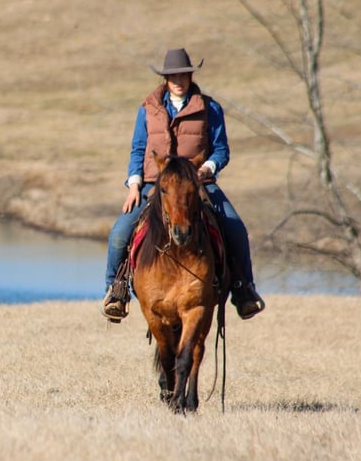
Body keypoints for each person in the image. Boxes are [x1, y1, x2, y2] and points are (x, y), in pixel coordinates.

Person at [101, 47, 265, 322]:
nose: (178, 80)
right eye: (173, 75)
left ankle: (243, 289)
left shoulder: (209, 108)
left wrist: (206, 168)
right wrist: (133, 185)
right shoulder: (148, 110)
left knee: (235, 227)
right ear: (165, 79)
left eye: (184, 75)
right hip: (156, 183)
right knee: (120, 232)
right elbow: (138, 149)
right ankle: (116, 291)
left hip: (197, 183)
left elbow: (221, 149)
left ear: (190, 76)